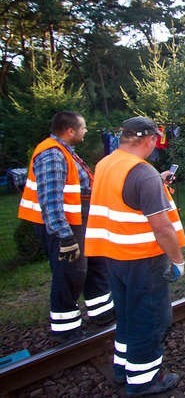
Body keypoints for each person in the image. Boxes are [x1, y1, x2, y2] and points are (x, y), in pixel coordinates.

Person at [84, 116, 185, 396]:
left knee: (127, 315)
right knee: (150, 319)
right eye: (156, 140)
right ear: (150, 140)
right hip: (143, 259)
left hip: (114, 256)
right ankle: (144, 382)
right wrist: (177, 260)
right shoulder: (143, 173)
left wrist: (158, 181)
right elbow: (162, 227)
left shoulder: (107, 164)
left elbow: (124, 198)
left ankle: (123, 368)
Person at [18, 110, 114, 343]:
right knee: (70, 273)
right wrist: (65, 237)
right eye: (83, 127)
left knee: (95, 266)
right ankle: (66, 328)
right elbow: (50, 199)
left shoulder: (65, 151)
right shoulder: (51, 154)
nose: (86, 131)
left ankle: (102, 313)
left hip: (79, 222)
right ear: (70, 130)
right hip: (64, 227)